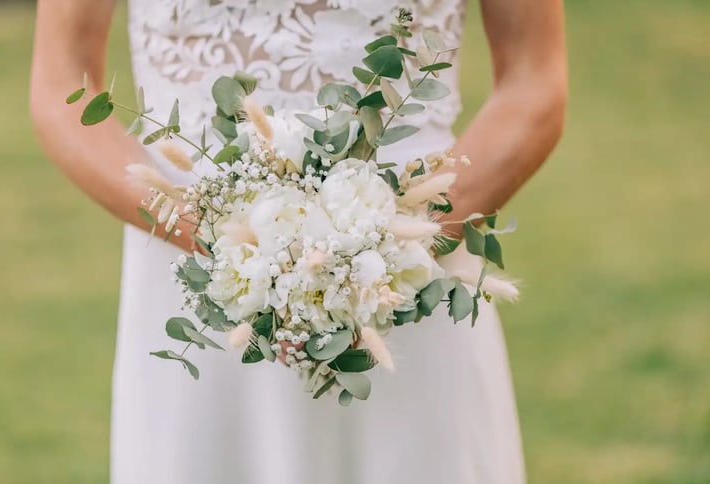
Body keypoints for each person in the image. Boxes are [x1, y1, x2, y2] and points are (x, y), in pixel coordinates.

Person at [30, 1, 566, 483]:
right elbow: (62, 86)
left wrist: (388, 241)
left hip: (407, 282)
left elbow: (533, 79)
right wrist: (219, 238)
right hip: (203, 284)